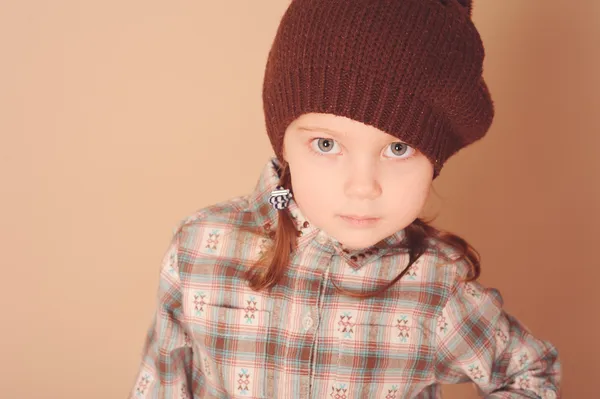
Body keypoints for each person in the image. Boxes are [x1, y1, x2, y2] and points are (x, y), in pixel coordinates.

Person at [128, 0, 561, 397]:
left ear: (435, 158)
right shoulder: (201, 248)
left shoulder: (436, 285)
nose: (362, 186)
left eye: (397, 149)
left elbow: (530, 371)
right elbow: (161, 383)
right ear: (284, 144)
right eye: (326, 145)